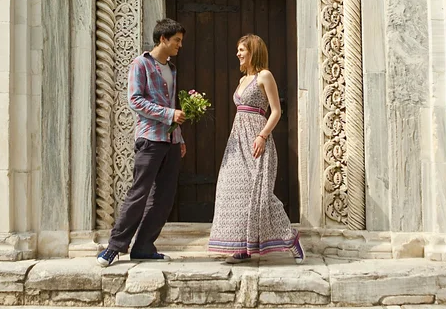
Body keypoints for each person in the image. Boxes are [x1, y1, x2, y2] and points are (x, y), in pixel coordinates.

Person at [97, 18, 188, 267]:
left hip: (170, 140)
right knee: (139, 194)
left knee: (164, 198)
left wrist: (178, 137)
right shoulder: (141, 64)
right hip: (149, 139)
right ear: (163, 39)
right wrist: (170, 115)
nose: (180, 45)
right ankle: (114, 247)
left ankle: (144, 246)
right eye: (177, 41)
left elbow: (171, 106)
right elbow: (135, 100)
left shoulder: (172, 69)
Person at [208, 33, 304, 264]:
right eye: (238, 50)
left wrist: (262, 136)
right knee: (232, 191)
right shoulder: (243, 80)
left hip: (256, 140)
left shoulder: (265, 76)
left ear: (253, 51)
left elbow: (276, 111)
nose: (238, 54)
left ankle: (291, 239)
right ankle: (243, 247)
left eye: (242, 49)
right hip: (237, 141)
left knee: (260, 195)